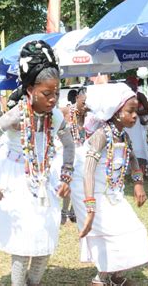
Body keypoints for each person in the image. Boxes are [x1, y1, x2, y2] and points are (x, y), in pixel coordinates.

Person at [0, 40, 75, 286]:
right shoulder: (16, 114)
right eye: (46, 93)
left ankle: (33, 282)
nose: (52, 99)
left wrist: (66, 176)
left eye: (56, 93)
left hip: (44, 180)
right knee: (23, 243)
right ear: (29, 90)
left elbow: (69, 145)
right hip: (15, 181)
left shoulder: (56, 116)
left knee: (46, 240)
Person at [76, 83, 148, 286]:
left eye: (136, 111)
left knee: (132, 229)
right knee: (110, 235)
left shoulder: (123, 136)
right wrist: (90, 205)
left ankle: (117, 277)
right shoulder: (101, 135)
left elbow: (133, 158)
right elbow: (88, 170)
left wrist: (138, 183)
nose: (135, 115)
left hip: (113, 193)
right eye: (131, 111)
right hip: (95, 193)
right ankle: (100, 279)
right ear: (116, 112)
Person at [58, 86, 88, 225]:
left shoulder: (89, 114)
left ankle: (73, 211)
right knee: (69, 181)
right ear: (77, 98)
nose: (85, 106)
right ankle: (64, 211)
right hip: (68, 152)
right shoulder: (65, 111)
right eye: (83, 102)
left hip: (83, 152)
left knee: (81, 182)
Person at [125, 76, 148, 176]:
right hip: (126, 124)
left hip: (137, 124)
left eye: (131, 83)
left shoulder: (140, 95)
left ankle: (140, 170)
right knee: (128, 143)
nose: (129, 86)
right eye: (128, 84)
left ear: (135, 85)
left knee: (138, 145)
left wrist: (136, 112)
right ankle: (128, 170)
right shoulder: (124, 96)